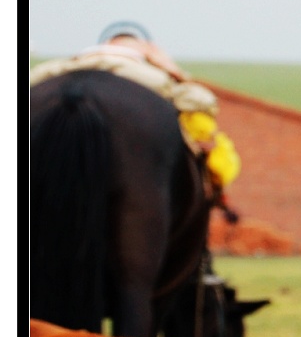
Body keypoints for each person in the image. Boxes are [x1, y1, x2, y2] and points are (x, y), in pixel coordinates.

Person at [30, 21, 241, 205]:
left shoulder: (65, 66)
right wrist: (175, 72)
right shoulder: (150, 72)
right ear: (144, 48)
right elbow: (203, 102)